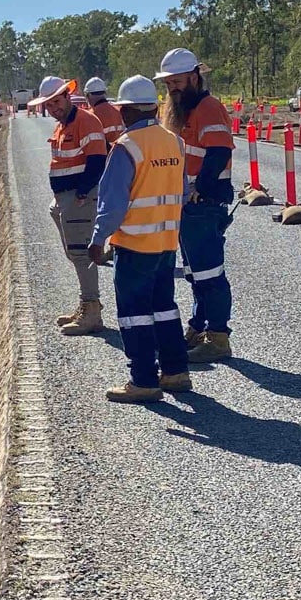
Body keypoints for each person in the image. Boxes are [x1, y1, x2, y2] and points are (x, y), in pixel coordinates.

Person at [87, 77, 192, 403]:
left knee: (134, 313)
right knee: (164, 308)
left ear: (126, 109)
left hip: (133, 245)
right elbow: (184, 192)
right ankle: (175, 372)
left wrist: (97, 238)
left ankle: (143, 379)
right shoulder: (174, 142)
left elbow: (113, 204)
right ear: (155, 106)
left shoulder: (126, 146)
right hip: (165, 243)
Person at [157, 48, 235, 364]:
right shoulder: (182, 111)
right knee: (196, 275)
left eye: (177, 81)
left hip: (203, 204)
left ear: (194, 76)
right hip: (188, 206)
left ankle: (218, 338)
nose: (173, 88)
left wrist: (197, 190)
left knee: (210, 275)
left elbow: (217, 153)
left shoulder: (208, 108)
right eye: (168, 83)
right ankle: (198, 327)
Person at [30, 76, 109, 334]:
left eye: (56, 102)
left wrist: (82, 193)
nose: (53, 108)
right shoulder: (62, 126)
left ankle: (91, 311)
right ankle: (86, 304)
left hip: (79, 198)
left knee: (81, 254)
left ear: (67, 95)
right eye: (49, 105)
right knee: (74, 253)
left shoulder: (85, 122)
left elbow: (97, 160)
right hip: (67, 198)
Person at [82, 77, 125, 147]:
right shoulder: (118, 110)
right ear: (105, 93)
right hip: (119, 152)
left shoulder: (91, 115)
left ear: (88, 95)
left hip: (102, 154)